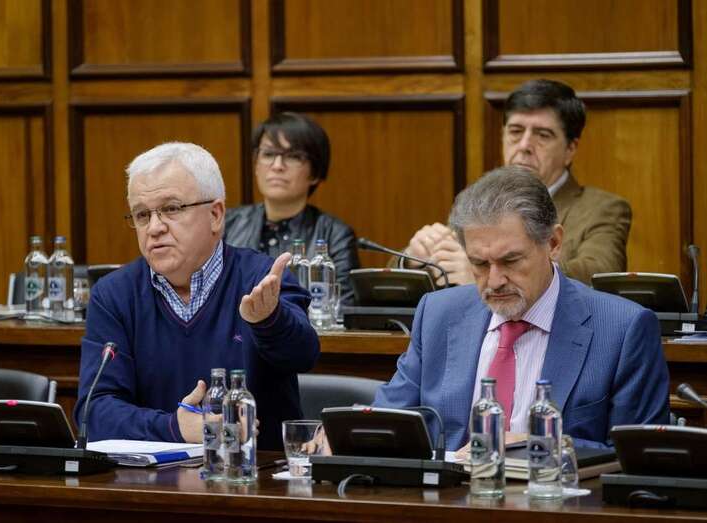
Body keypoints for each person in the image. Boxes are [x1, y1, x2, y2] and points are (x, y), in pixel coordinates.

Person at [374, 166, 668, 449]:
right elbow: (386, 421)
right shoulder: (438, 314)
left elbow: (637, 459)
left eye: (511, 261)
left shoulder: (622, 329)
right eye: (478, 263)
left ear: (553, 243)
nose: (494, 280)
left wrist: (529, 446)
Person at [74, 142, 320, 451]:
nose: (154, 228)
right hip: (145, 488)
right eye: (141, 215)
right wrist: (175, 427)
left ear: (215, 215)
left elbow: (304, 355)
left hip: (256, 480)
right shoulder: (114, 295)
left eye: (171, 209)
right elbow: (94, 412)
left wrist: (270, 320)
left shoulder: (261, 278)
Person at [400, 79, 631, 286]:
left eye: (542, 135)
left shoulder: (603, 208)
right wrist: (414, 258)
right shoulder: (479, 199)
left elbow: (599, 274)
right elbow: (433, 266)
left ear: (571, 149)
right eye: (516, 131)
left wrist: (481, 271)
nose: (524, 145)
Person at [224, 112, 359, 304]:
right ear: (255, 165)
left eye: (293, 156)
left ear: (315, 172)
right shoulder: (226, 224)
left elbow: (342, 309)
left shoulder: (335, 235)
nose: (277, 166)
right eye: (268, 154)